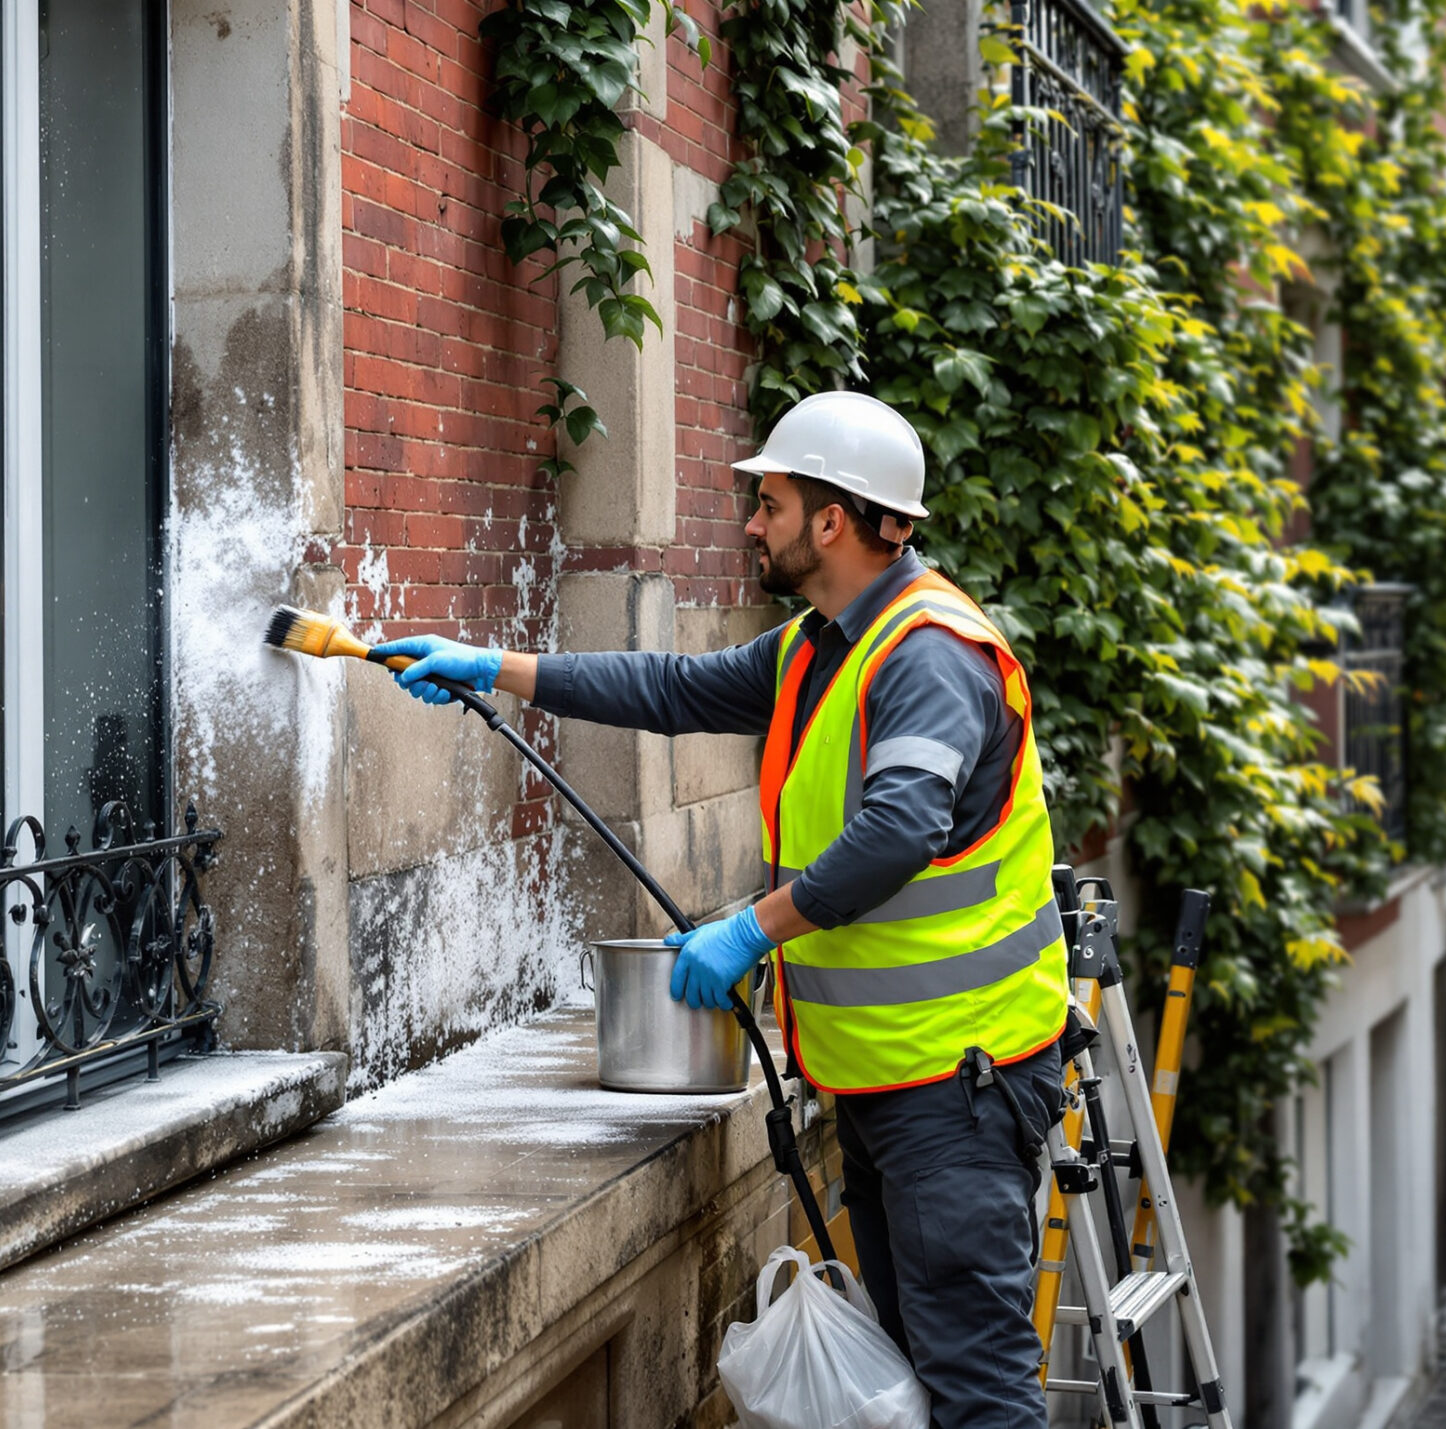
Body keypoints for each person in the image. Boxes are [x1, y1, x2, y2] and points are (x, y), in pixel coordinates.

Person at [368, 391, 1068, 1429]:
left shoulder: (926, 656)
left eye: (770, 503)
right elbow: (673, 688)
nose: (750, 523)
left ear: (832, 520)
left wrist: (750, 927)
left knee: (977, 1388)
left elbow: (899, 831)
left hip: (957, 1090)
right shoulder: (819, 647)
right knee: (928, 1366)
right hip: (890, 1078)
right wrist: (497, 670)